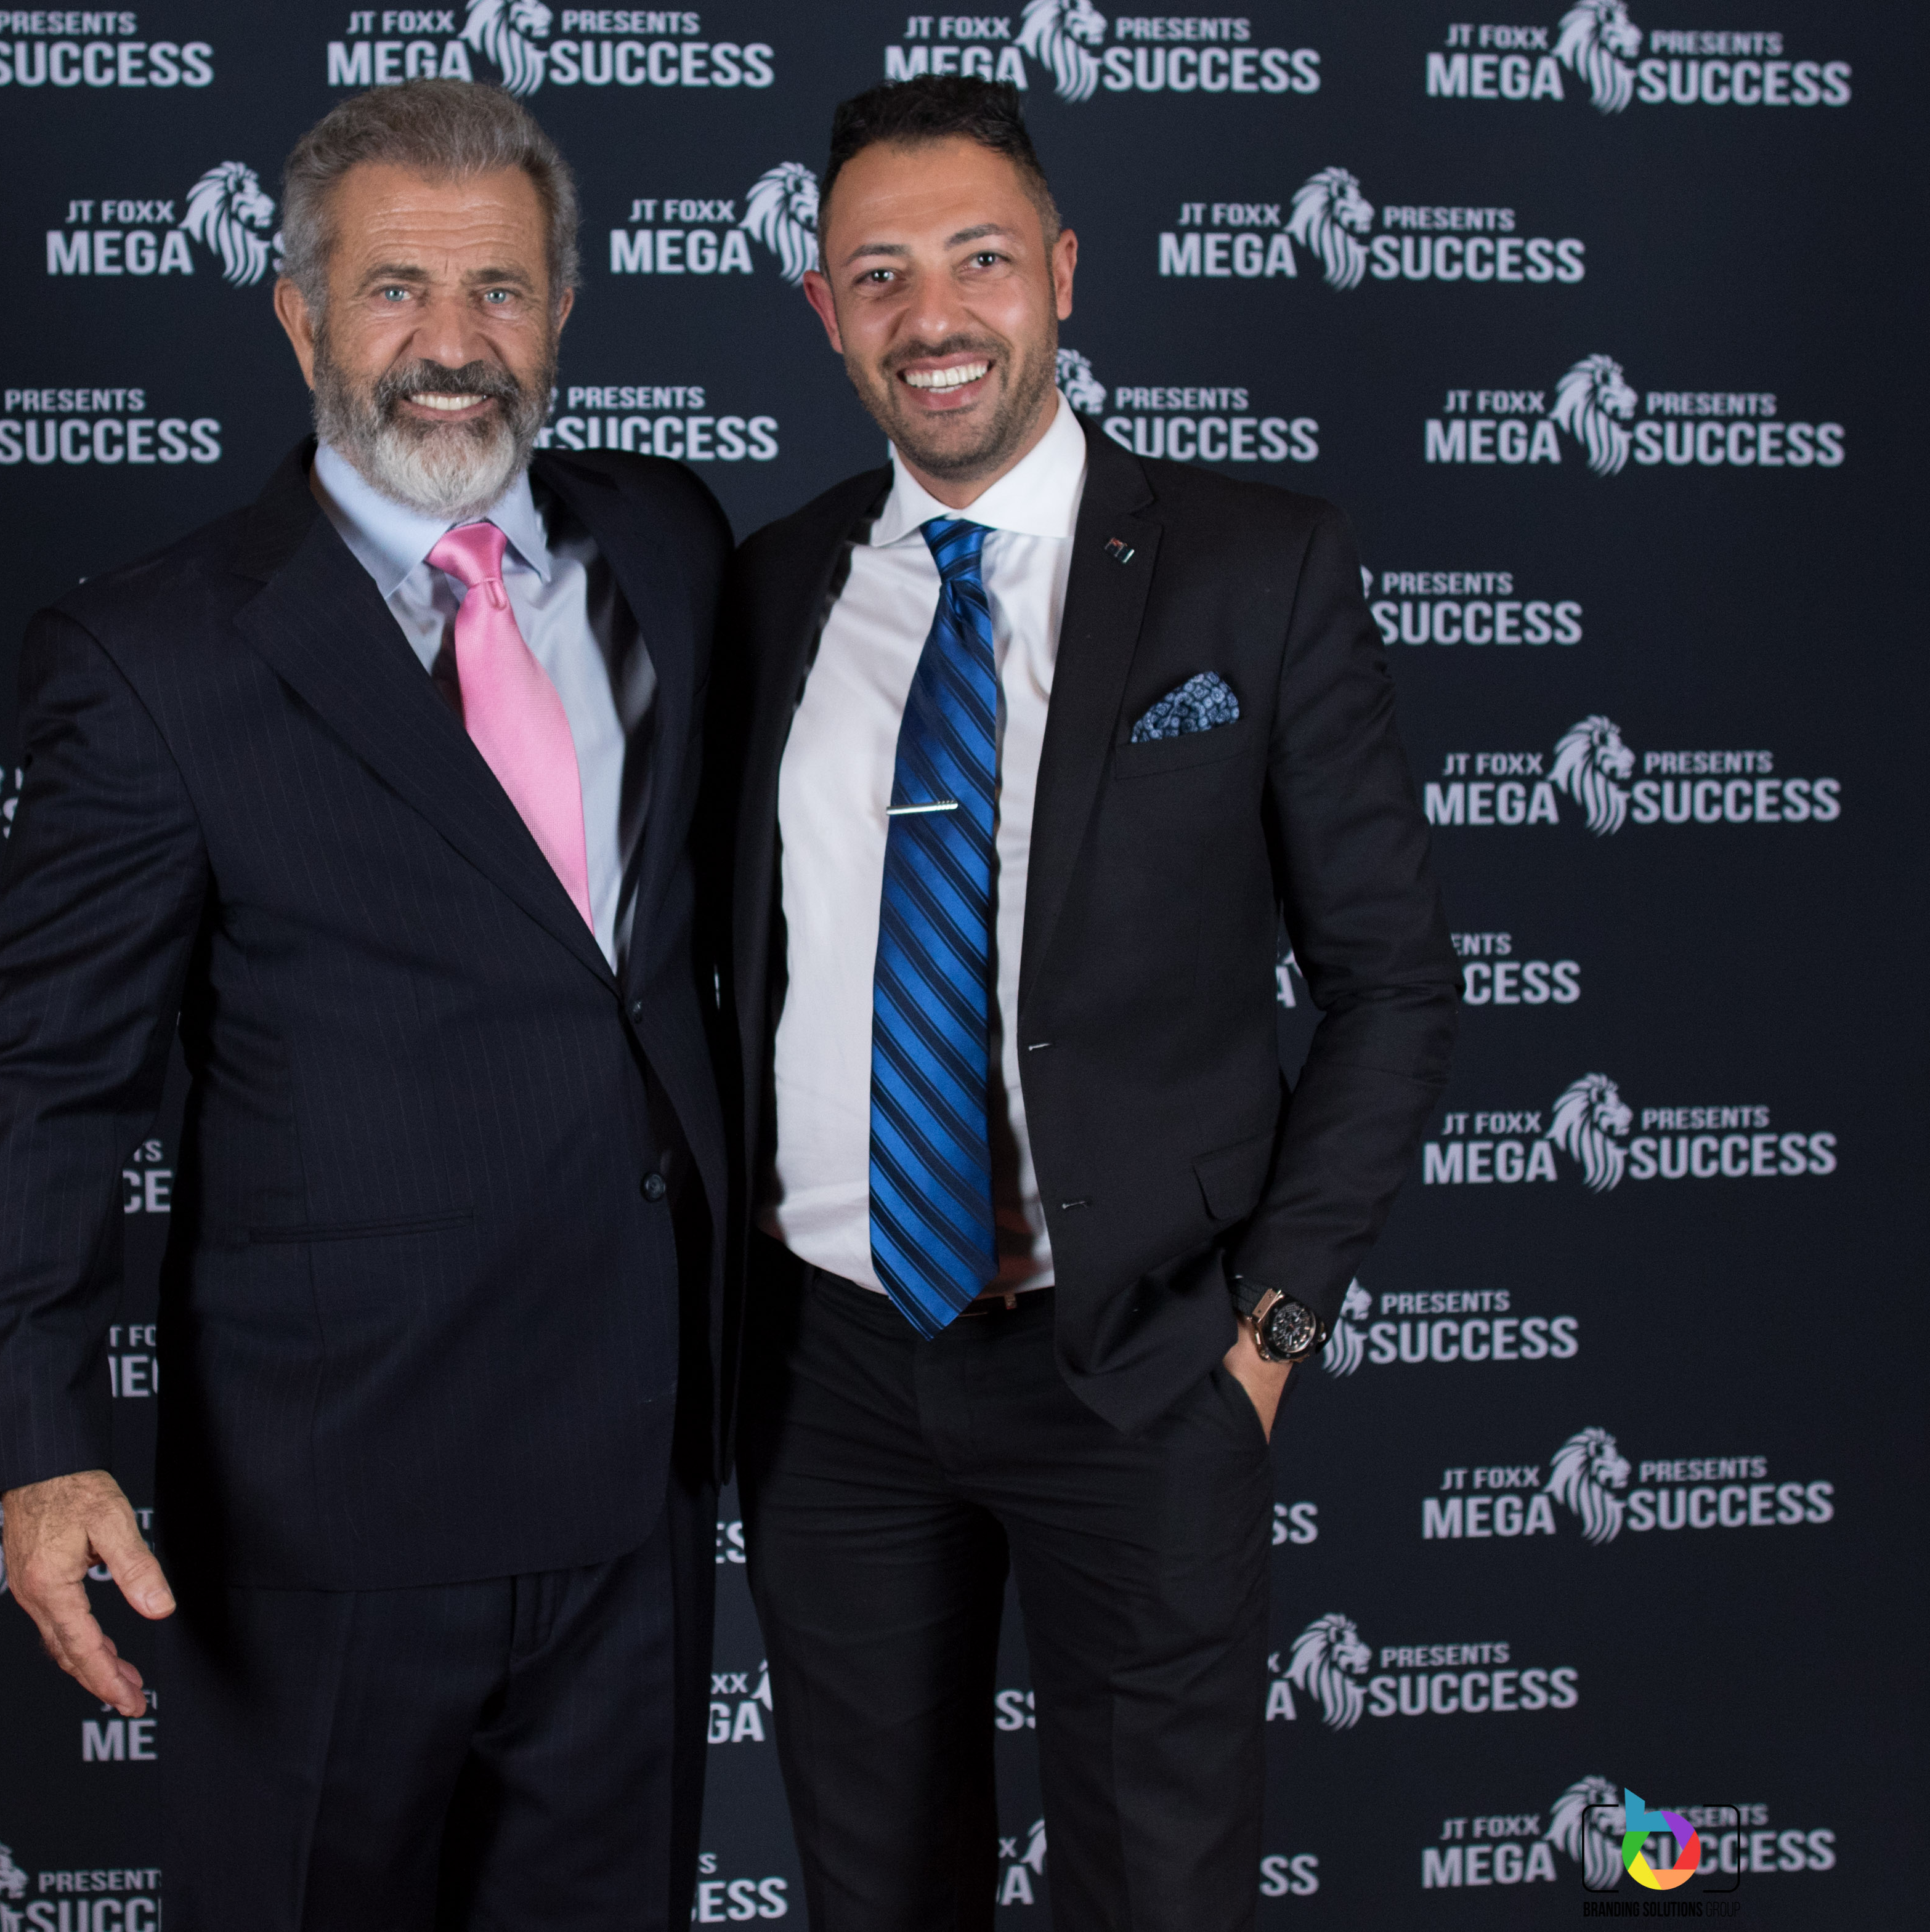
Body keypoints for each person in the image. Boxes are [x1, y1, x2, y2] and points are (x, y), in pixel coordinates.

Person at [0, 79, 734, 1932]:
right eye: (396, 290)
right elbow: (54, 1078)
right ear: (301, 318)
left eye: (499, 291)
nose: (451, 345)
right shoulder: (154, 656)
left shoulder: (670, 545)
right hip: (332, 1503)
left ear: (561, 311)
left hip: (634, 1476)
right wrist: (41, 1442)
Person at [716, 78, 1456, 1931]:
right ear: (822, 310)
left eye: (977, 259)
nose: (932, 316)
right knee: (876, 1891)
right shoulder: (773, 585)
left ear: (1060, 272)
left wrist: (1263, 1339)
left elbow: (1389, 983)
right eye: (877, 273)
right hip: (830, 1370)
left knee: (1159, 1890)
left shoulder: (1255, 567)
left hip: (1140, 1358)